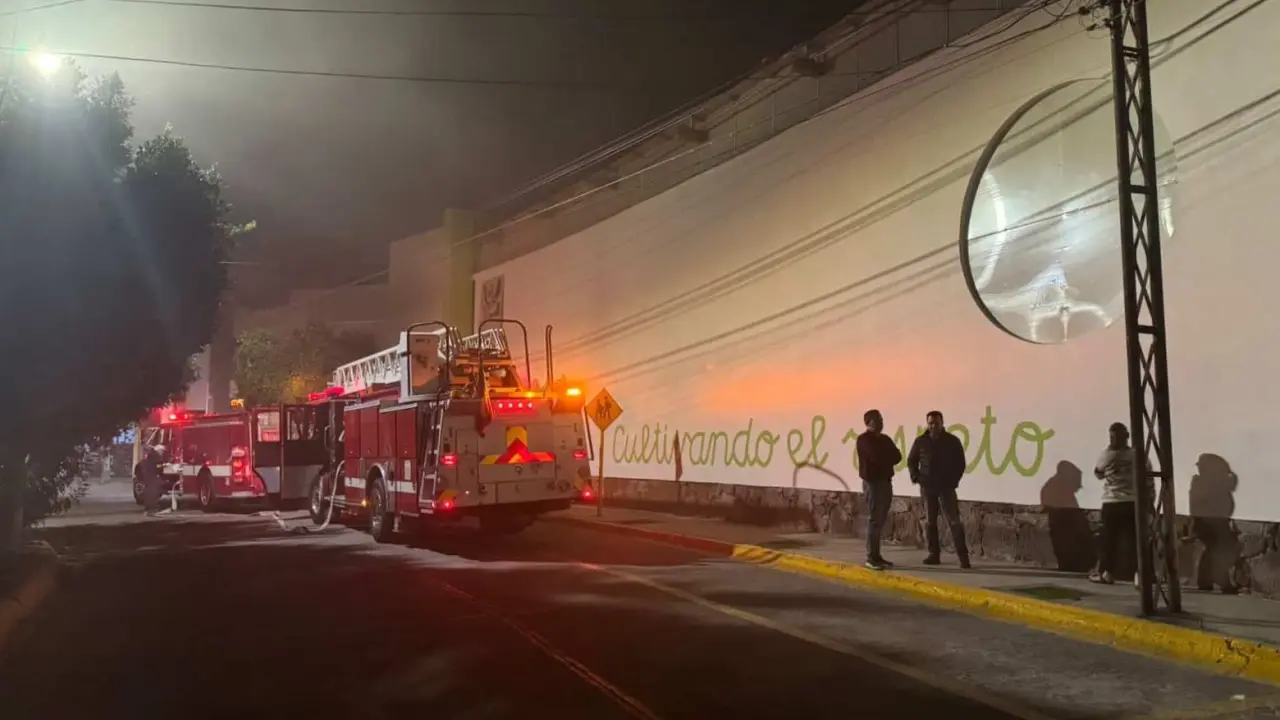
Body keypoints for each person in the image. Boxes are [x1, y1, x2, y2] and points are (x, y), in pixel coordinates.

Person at [908, 411, 971, 569]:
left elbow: (960, 464)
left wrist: (953, 481)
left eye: (936, 423)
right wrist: (916, 477)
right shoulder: (921, 441)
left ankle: (963, 557)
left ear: (942, 423)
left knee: (954, 521)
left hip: (946, 487)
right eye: (930, 423)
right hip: (927, 487)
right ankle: (933, 554)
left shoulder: (952, 441)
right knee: (930, 521)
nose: (933, 426)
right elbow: (911, 460)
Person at [1090, 422, 1139, 585]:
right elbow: (1148, 476)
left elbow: (1098, 474)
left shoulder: (1106, 455)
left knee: (1108, 540)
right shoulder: (1136, 454)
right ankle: (1139, 574)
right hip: (1132, 501)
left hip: (1112, 501)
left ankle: (1106, 572)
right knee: (1135, 540)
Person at [855, 409, 901, 571]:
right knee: (874, 519)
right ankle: (870, 557)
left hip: (886, 481)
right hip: (872, 484)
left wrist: (885, 457)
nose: (882, 423)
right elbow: (876, 456)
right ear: (870, 422)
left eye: (881, 419)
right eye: (878, 420)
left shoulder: (885, 439)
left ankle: (877, 555)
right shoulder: (863, 440)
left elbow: (897, 456)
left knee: (881, 520)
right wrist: (885, 457)